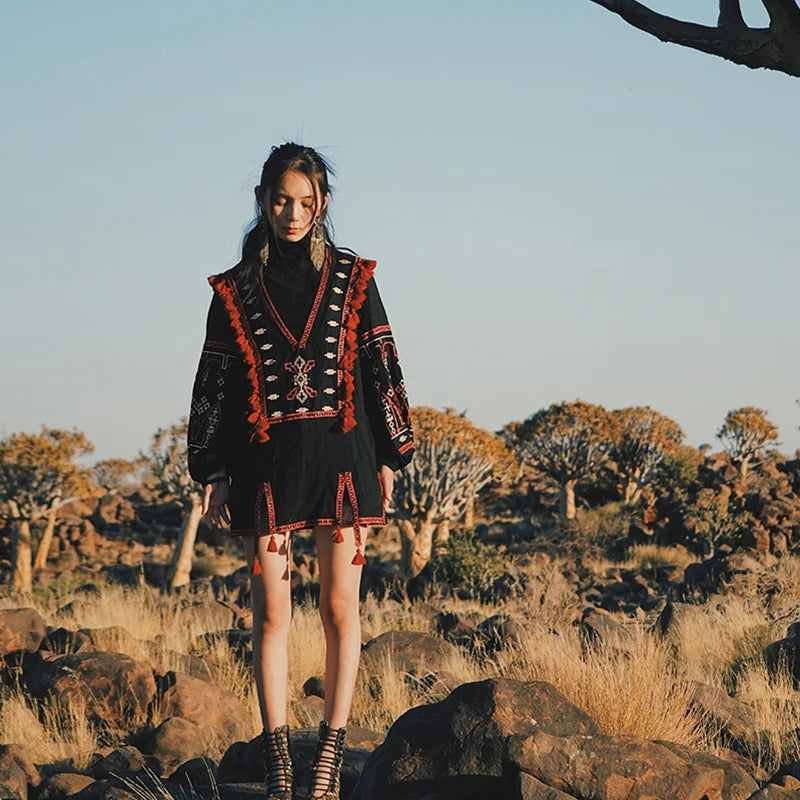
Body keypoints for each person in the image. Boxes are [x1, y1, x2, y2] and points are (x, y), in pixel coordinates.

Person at [187, 143, 415, 800]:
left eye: (306, 203)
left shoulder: (353, 277)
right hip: (265, 467)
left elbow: (380, 362)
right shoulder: (233, 290)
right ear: (263, 200)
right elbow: (215, 382)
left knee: (340, 608)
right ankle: (280, 763)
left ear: (322, 206)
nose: (293, 213)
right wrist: (212, 468)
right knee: (270, 616)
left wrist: (392, 453)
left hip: (343, 459)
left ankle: (328, 760)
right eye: (282, 200)